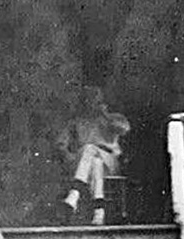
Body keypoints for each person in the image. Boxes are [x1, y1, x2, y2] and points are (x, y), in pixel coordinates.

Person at [56, 88, 131, 225]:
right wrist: (69, 156)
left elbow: (124, 129)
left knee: (89, 149)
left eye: (95, 100)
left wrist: (105, 115)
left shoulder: (111, 119)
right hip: (87, 165)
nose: (91, 103)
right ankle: (99, 210)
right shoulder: (76, 122)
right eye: (88, 100)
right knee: (95, 161)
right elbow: (60, 144)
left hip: (109, 161)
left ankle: (74, 193)